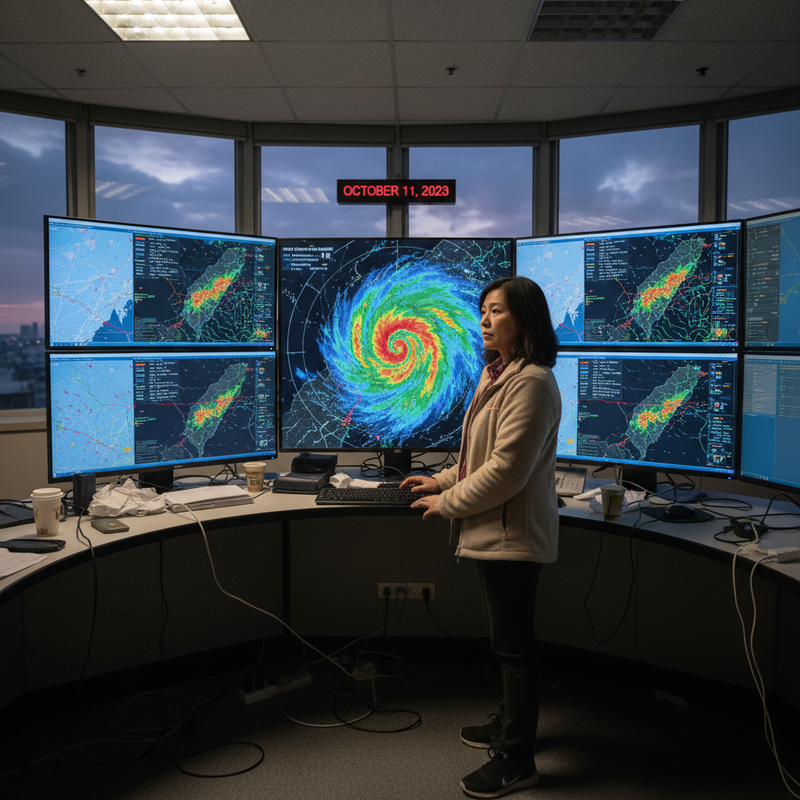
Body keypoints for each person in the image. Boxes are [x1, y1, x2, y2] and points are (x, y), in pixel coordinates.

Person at [400, 276, 561, 798]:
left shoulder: (532, 381)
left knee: (514, 648)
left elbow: (508, 472)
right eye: (484, 311)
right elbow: (477, 455)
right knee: (505, 641)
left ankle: (518, 760)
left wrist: (447, 503)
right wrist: (443, 479)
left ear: (525, 321)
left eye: (496, 312)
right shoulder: (498, 374)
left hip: (513, 536)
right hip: (494, 531)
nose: (485, 320)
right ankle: (508, 725)